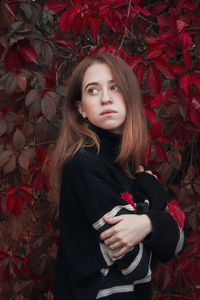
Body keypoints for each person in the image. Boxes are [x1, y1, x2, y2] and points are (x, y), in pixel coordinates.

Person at [52, 52, 184, 300]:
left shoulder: (128, 166)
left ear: (130, 97)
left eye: (114, 87)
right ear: (80, 108)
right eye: (93, 90)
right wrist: (158, 208)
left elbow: (177, 244)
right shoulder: (85, 165)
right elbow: (139, 266)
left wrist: (147, 223)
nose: (105, 98)